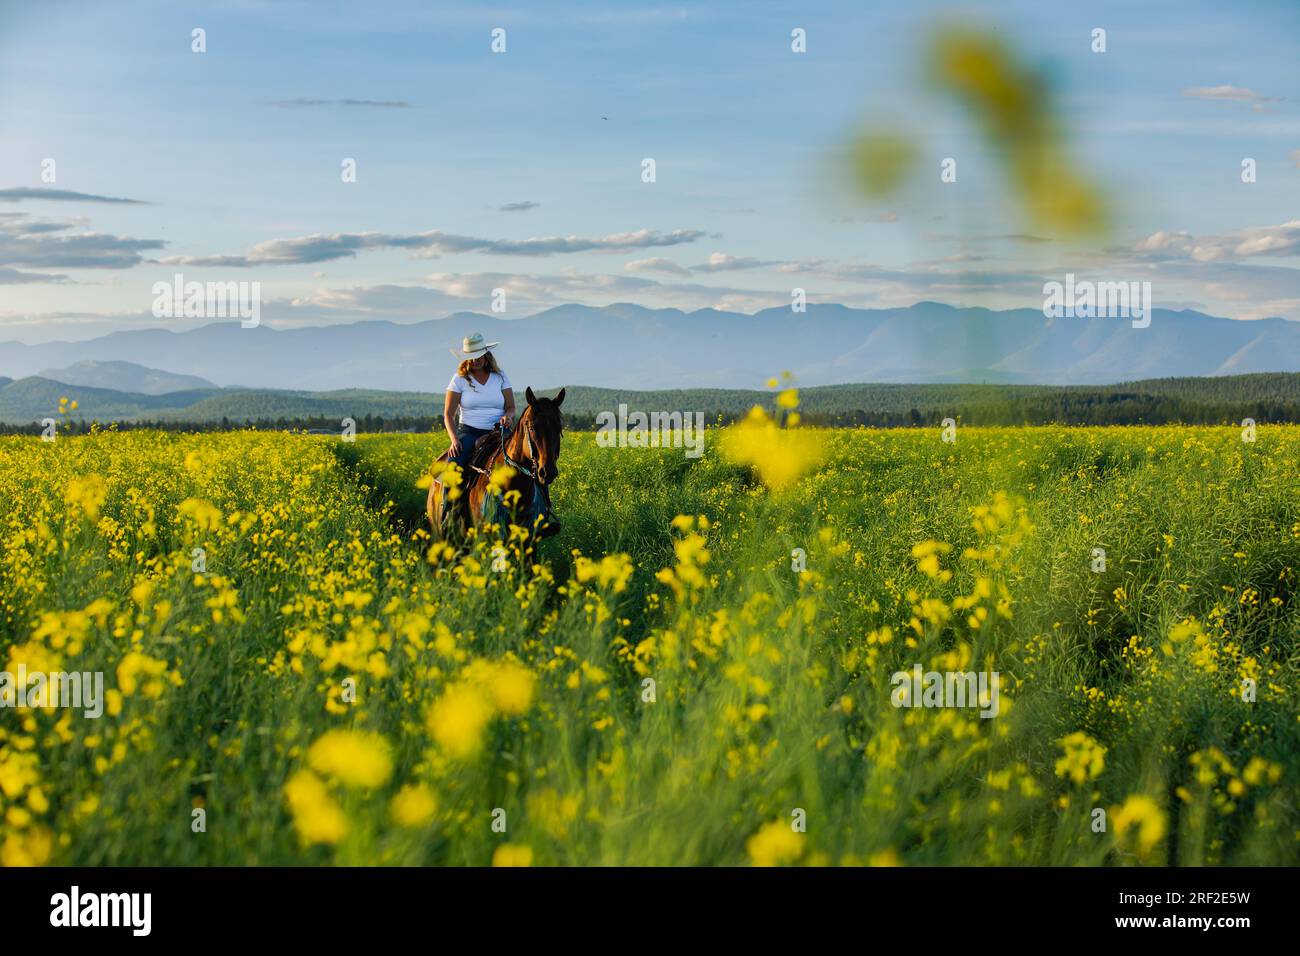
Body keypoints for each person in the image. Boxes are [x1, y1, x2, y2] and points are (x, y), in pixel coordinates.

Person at [441, 333, 515, 519]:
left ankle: (541, 508)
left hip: (499, 431)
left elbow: (511, 406)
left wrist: (508, 416)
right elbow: (448, 414)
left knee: (529, 460)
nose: (475, 360)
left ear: (486, 354)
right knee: (453, 467)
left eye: (479, 355)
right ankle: (449, 514)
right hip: (470, 431)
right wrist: (454, 440)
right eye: (471, 357)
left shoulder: (500, 377)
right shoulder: (459, 380)